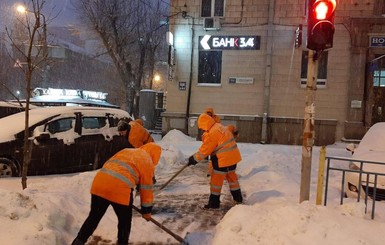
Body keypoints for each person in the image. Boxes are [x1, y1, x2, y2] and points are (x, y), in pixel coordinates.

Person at [71, 143, 162, 245]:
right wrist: (146, 211)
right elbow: (146, 190)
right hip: (120, 189)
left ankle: (78, 242)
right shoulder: (147, 161)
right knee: (124, 223)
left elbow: (111, 165)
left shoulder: (127, 150)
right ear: (155, 156)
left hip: (99, 183)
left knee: (93, 218)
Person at [187, 113, 243, 209]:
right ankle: (238, 199)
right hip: (233, 158)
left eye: (202, 127)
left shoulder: (212, 133)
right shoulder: (219, 126)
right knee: (232, 179)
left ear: (204, 124)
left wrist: (194, 159)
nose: (202, 130)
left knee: (216, 182)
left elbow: (205, 150)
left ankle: (214, 204)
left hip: (222, 160)